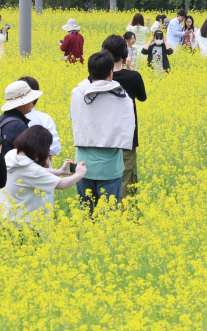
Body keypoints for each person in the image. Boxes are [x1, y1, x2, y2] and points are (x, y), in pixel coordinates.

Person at [68, 51, 135, 212]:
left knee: (86, 215)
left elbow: (73, 118)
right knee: (108, 219)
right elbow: (128, 127)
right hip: (110, 168)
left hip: (83, 164)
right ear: (111, 73)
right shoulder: (122, 97)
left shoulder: (77, 94)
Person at [0, 126, 87, 228]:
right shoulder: (30, 169)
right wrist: (79, 174)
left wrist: (59, 172)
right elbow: (62, 184)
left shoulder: (11, 155)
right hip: (25, 225)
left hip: (7, 219)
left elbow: (27, 173)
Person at [102, 34, 147, 198]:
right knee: (127, 177)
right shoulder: (134, 77)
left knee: (105, 178)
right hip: (127, 137)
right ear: (124, 53)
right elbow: (142, 98)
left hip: (103, 137)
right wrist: (129, 67)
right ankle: (125, 217)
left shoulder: (96, 80)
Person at [0, 81, 40, 195]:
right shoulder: (17, 125)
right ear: (22, 102)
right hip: (16, 181)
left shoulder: (1, 119)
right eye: (30, 99)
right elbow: (28, 156)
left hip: (3, 177)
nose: (33, 101)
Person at [17, 76, 61, 157]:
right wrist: (46, 155)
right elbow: (55, 148)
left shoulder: (4, 119)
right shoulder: (44, 118)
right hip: (42, 166)